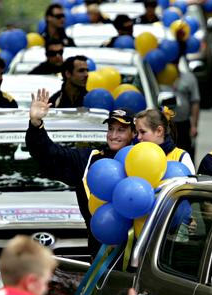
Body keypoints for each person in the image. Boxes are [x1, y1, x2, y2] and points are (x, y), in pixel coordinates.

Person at [26, 88, 136, 258]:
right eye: (111, 129)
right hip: (99, 255)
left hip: (138, 254)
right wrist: (36, 124)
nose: (113, 135)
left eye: (121, 130)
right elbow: (50, 154)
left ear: (134, 133)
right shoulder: (89, 159)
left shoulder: (142, 162)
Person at [134, 109, 196, 173]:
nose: (138, 137)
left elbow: (192, 182)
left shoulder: (181, 157)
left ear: (159, 131)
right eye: (137, 133)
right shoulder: (135, 156)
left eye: (143, 132)